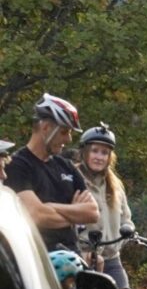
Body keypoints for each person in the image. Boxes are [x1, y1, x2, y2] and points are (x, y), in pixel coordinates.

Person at [5, 93, 98, 252]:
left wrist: (49, 207)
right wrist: (74, 215)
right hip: (39, 262)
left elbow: (92, 212)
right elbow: (37, 216)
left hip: (73, 256)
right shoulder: (17, 165)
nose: (68, 139)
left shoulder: (66, 166)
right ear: (46, 128)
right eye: (64, 132)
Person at [75, 124, 133, 289]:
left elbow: (126, 218)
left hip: (112, 259)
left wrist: (127, 229)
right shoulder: (73, 179)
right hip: (83, 258)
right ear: (84, 152)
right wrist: (79, 251)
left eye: (104, 153)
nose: (99, 157)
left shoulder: (115, 184)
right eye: (95, 151)